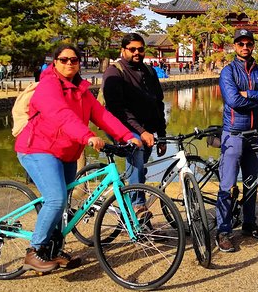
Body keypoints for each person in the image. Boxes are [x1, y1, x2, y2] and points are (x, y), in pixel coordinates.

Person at [15, 43, 141, 273]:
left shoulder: (81, 90)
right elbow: (61, 116)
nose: (69, 63)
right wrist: (88, 136)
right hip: (38, 149)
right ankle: (34, 251)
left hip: (67, 153)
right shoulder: (48, 86)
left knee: (62, 204)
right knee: (56, 199)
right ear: (55, 62)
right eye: (64, 59)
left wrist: (126, 136)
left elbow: (102, 115)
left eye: (74, 60)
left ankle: (52, 250)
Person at [216, 28, 258, 253]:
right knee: (228, 184)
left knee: (251, 183)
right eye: (241, 44)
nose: (245, 47)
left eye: (248, 43)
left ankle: (249, 223)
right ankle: (223, 230)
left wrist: (250, 94)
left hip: (256, 133)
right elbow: (233, 100)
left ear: (253, 46)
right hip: (234, 132)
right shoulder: (228, 72)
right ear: (235, 46)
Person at [102, 33, 167, 212]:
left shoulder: (149, 71)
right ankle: (138, 207)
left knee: (139, 168)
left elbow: (158, 103)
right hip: (120, 125)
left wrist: (161, 135)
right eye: (132, 49)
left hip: (145, 126)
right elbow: (117, 110)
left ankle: (131, 209)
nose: (137, 52)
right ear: (123, 50)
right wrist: (141, 132)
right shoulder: (114, 72)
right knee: (136, 151)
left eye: (140, 49)